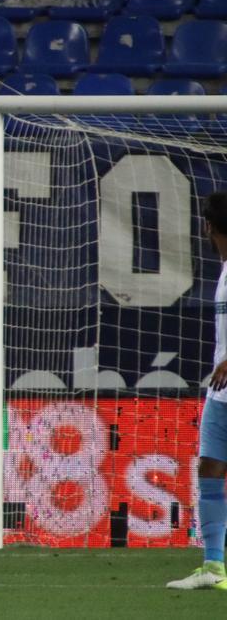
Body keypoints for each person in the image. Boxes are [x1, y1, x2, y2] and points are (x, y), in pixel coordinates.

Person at [168, 192, 227, 590]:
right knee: (209, 468)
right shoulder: (224, 270)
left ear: (208, 225)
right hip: (221, 393)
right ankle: (214, 567)